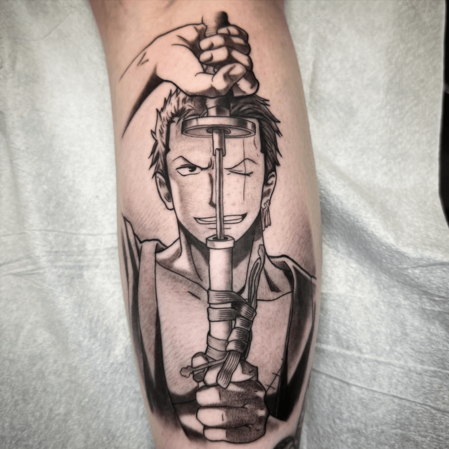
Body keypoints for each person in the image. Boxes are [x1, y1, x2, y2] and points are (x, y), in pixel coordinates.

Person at [91, 1, 321, 446]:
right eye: (191, 170)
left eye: (240, 170)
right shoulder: (145, 268)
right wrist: (154, 59)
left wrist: (260, 425)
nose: (218, 195)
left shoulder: (297, 295)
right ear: (164, 187)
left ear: (269, 187)